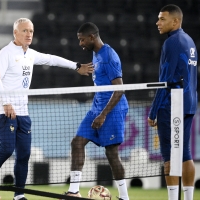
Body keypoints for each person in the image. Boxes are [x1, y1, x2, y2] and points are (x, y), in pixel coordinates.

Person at [0, 18, 94, 200]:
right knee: (7, 149)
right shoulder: (5, 53)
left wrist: (76, 66)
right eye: (25, 31)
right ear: (15, 33)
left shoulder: (30, 54)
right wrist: (7, 102)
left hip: (23, 113)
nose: (29, 34)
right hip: (5, 111)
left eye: (31, 31)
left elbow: (51, 60)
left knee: (24, 154)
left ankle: (19, 195)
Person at [63, 22, 130, 200]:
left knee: (111, 153)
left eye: (82, 39)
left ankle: (124, 197)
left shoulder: (109, 56)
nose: (80, 43)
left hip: (112, 109)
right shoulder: (95, 53)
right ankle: (74, 191)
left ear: (92, 37)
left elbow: (120, 89)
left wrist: (103, 115)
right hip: (97, 107)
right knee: (77, 143)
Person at [147, 4, 197, 200]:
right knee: (185, 154)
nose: (157, 22)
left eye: (162, 19)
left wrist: (153, 111)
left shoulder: (172, 42)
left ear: (175, 21)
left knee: (169, 156)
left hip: (172, 106)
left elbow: (165, 81)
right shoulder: (189, 41)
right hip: (189, 103)